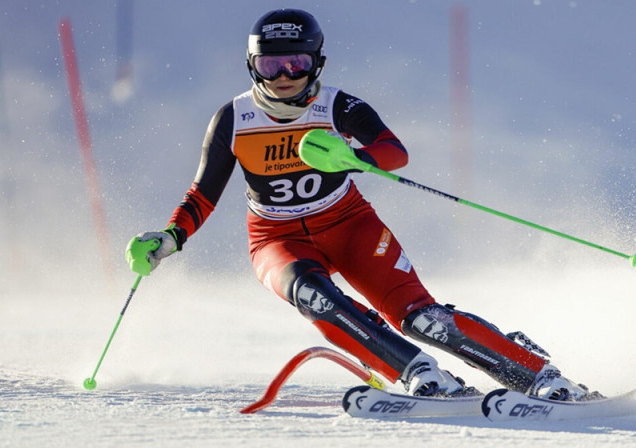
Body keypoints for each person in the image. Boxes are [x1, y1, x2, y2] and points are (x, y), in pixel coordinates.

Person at [127, 8, 594, 400]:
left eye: (296, 64)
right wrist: (170, 237)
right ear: (252, 66)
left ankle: (540, 375)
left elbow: (395, 151)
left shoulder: (337, 106)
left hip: (350, 225)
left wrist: (356, 159)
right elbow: (202, 193)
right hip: (276, 238)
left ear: (317, 63)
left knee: (421, 318)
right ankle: (418, 373)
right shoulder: (234, 119)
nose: (284, 76)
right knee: (313, 296)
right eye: (270, 66)